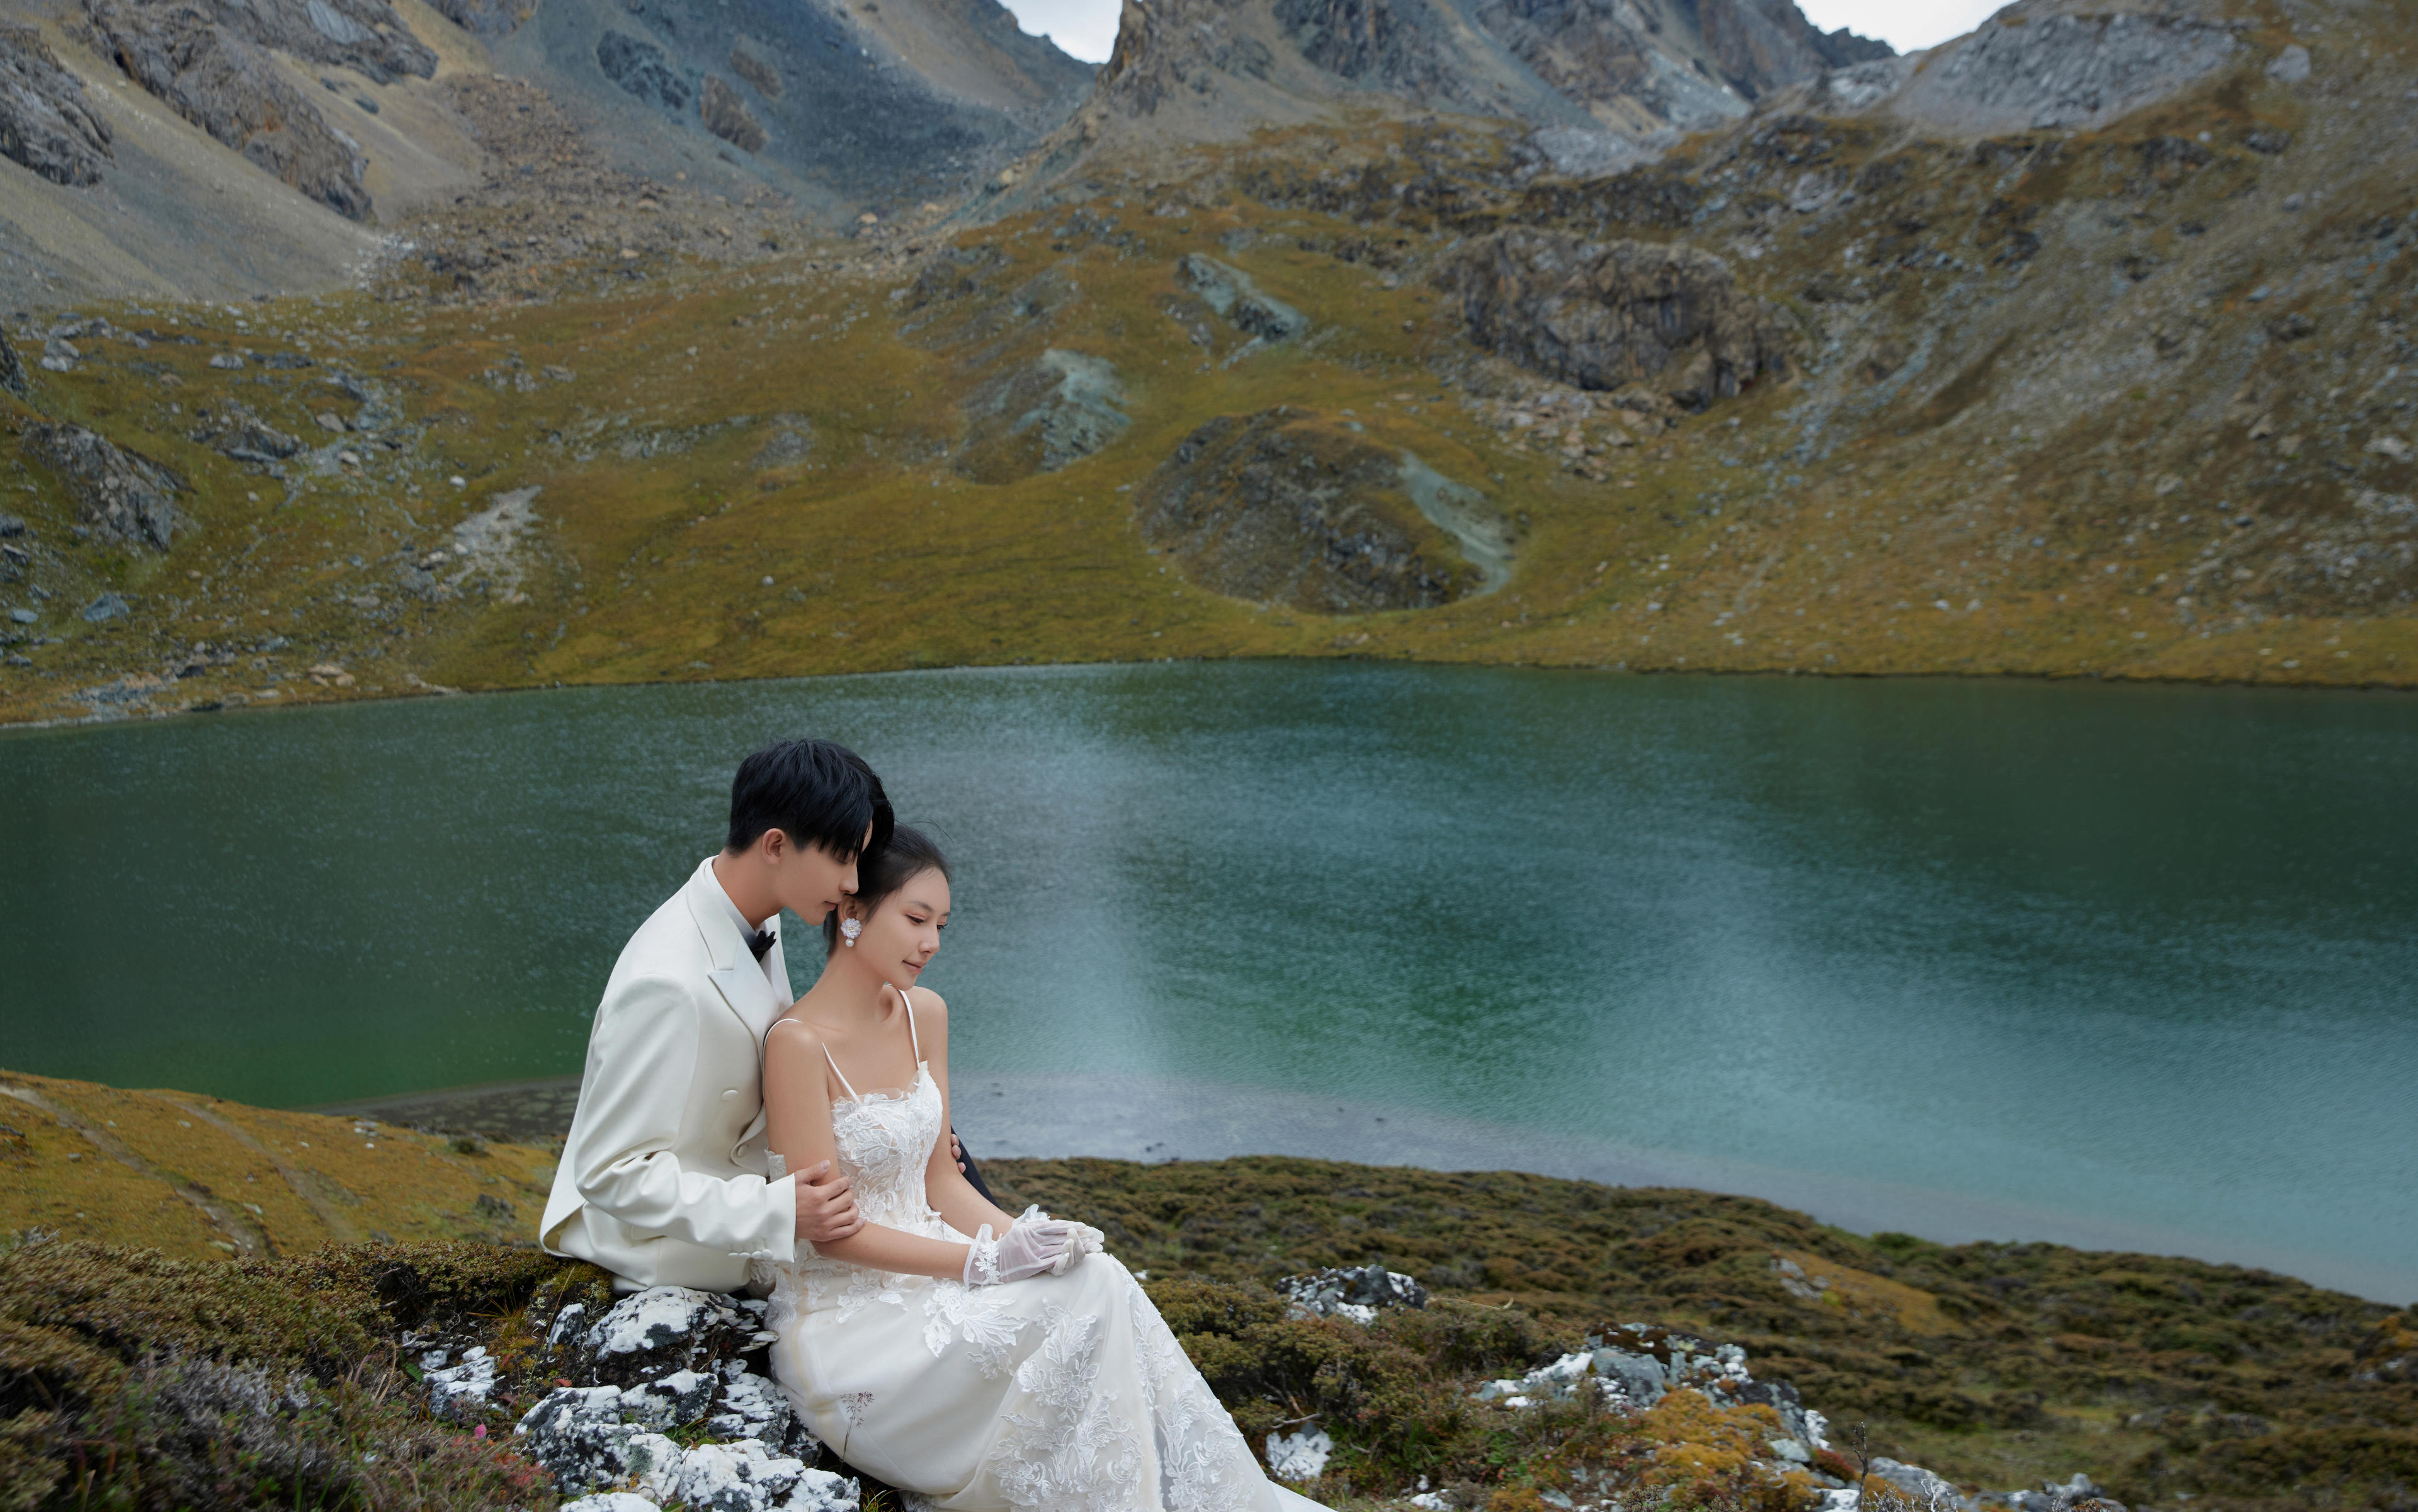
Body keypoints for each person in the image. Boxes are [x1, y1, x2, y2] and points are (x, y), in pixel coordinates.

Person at [758, 825, 1329, 1511]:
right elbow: (828, 1233)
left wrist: (1022, 1235)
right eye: (915, 919)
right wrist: (984, 1264)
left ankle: (1181, 1491)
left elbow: (940, 1180)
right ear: (852, 913)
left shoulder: (925, 1015)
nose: (932, 942)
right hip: (851, 1327)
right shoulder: (795, 1044)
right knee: (1084, 1296)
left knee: (1097, 1274)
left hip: (938, 1266)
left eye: (941, 923)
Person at [538, 738, 888, 1290]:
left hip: (751, 1219)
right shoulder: (666, 983)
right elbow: (609, 1171)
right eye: (843, 858)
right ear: (775, 845)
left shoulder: (755, 918)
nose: (854, 883)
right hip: (669, 1253)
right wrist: (774, 1212)